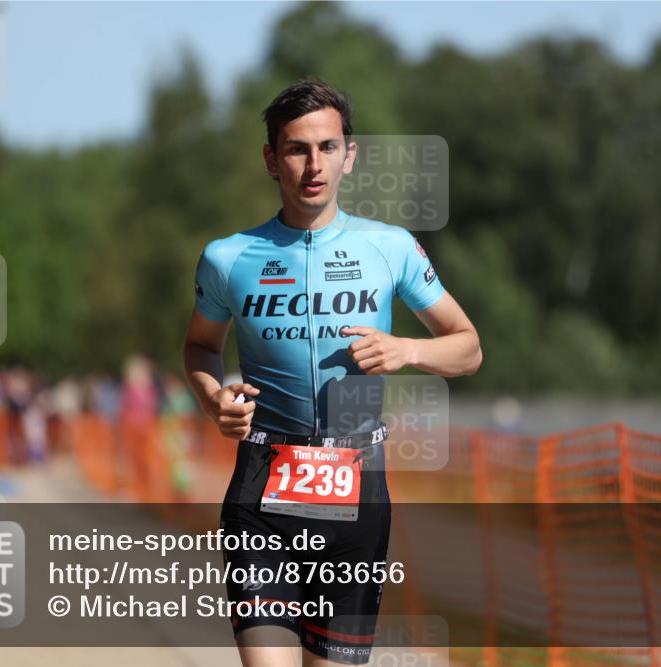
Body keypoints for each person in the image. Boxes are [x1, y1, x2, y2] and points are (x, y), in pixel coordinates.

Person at [183, 79, 481, 667]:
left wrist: (405, 350)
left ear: (350, 154)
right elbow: (199, 347)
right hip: (261, 494)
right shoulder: (228, 256)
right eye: (296, 149)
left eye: (327, 146)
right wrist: (214, 398)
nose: (312, 164)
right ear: (272, 160)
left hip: (357, 493)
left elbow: (467, 348)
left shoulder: (390, 247)